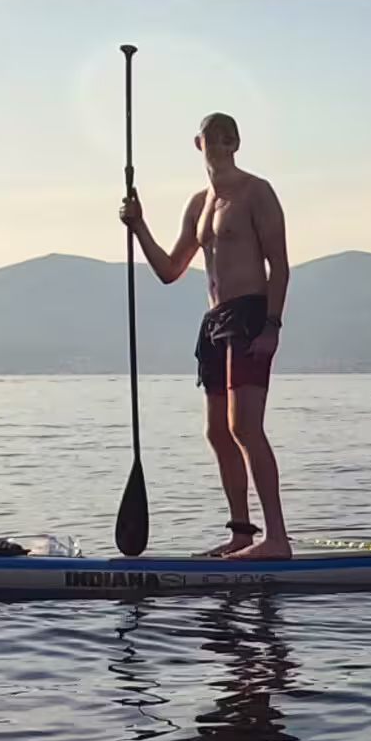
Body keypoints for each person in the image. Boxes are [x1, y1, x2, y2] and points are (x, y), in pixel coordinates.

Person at [126, 110, 295, 559]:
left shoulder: (256, 193)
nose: (219, 145)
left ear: (236, 144)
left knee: (245, 427)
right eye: (211, 138)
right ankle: (242, 533)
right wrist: (138, 224)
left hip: (251, 315)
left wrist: (273, 326)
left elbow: (279, 265)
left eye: (228, 138)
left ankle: (276, 540)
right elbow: (169, 270)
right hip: (214, 322)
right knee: (217, 432)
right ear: (198, 144)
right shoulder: (198, 204)